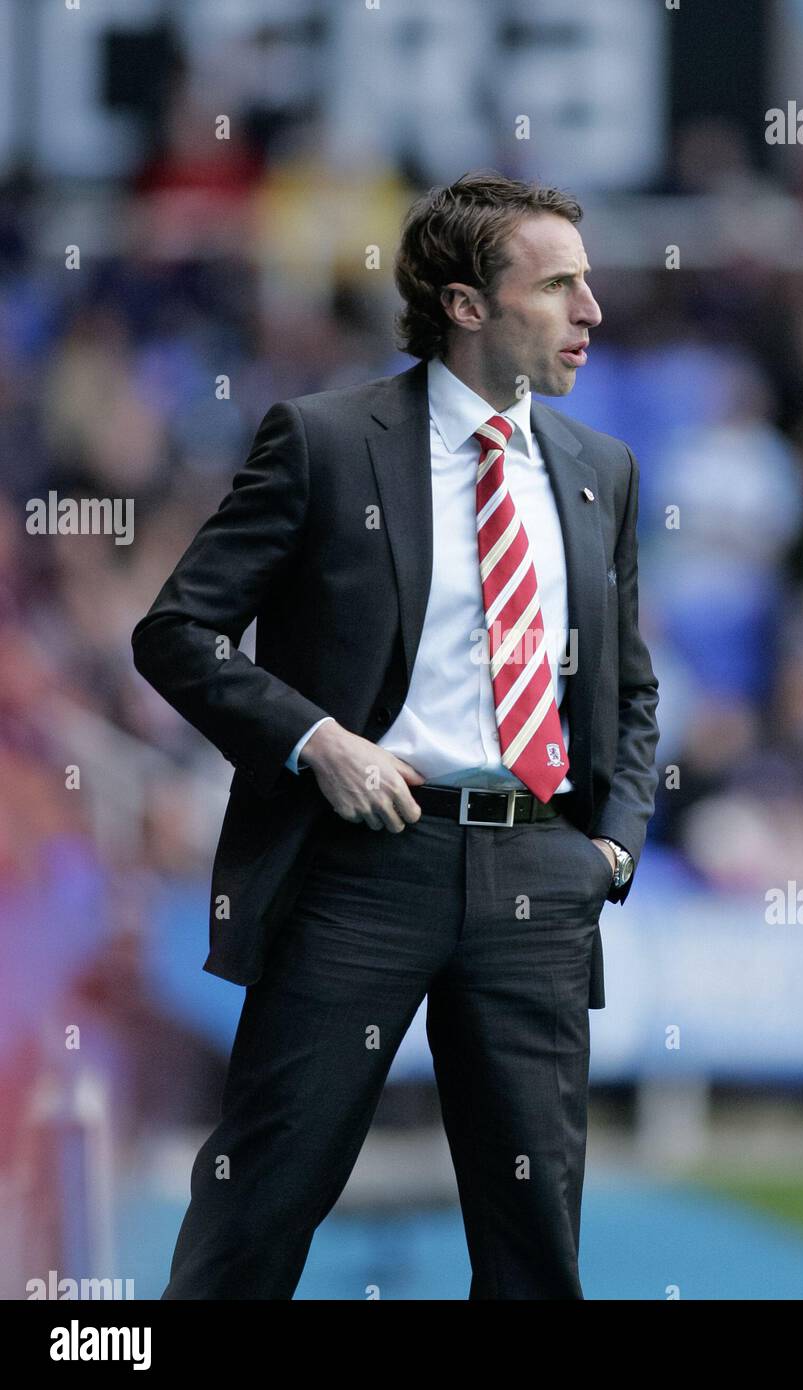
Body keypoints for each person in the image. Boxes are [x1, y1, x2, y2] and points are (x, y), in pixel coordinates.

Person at [131, 170, 660, 1299]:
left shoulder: (598, 473)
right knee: (256, 1211)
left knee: (534, 1253)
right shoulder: (325, 442)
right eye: (557, 283)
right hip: (359, 865)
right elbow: (179, 631)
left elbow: (628, 691)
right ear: (467, 305)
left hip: (537, 875)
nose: (590, 309)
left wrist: (606, 849)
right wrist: (316, 736)